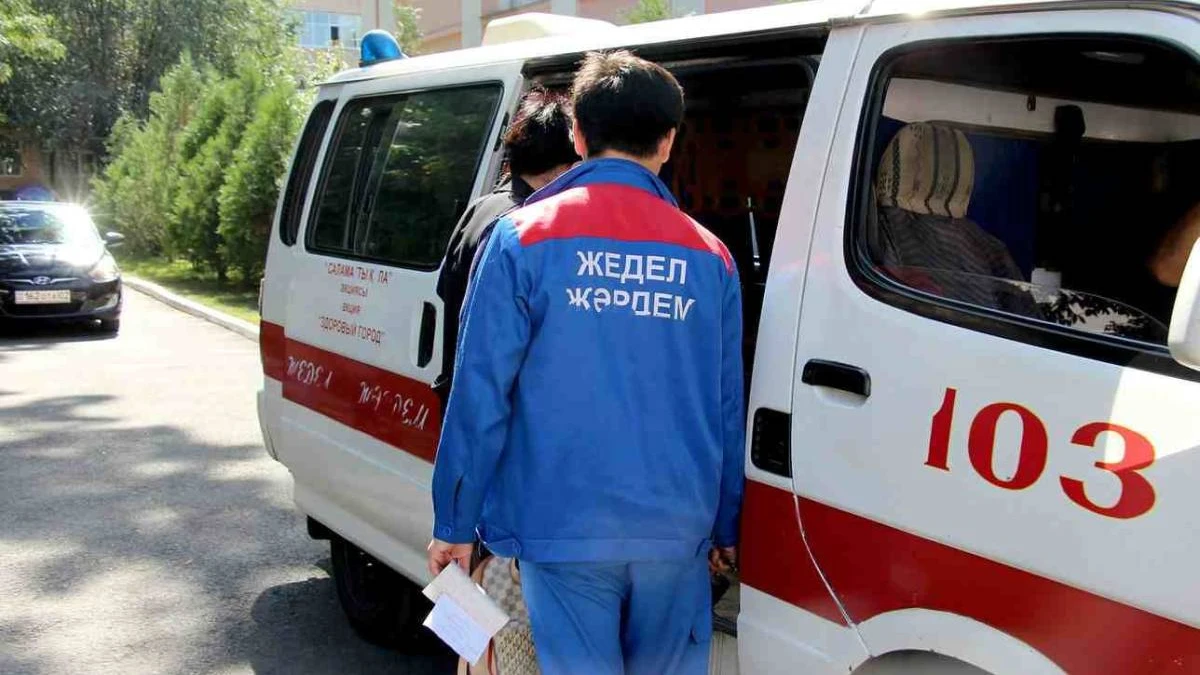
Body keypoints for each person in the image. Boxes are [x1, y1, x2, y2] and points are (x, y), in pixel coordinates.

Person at [428, 50, 745, 675]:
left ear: (577, 135)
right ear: (668, 141)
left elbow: (479, 398)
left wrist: (455, 524)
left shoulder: (521, 238)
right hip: (676, 531)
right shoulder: (711, 256)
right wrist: (727, 526)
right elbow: (725, 407)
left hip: (561, 529)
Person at [434, 87, 579, 403]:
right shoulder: (527, 228)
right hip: (499, 406)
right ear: (566, 166)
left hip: (461, 394)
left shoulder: (481, 208)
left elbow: (446, 289)